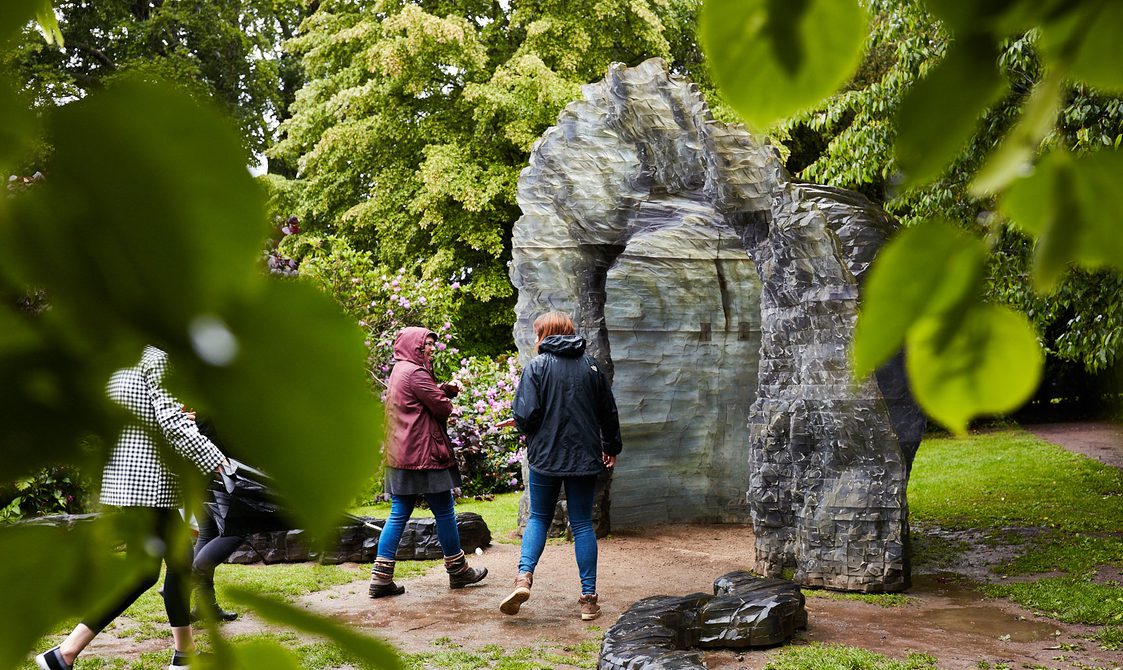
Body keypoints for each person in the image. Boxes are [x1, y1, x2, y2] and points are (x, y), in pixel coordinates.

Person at [36, 346, 226, 670]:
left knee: (179, 564)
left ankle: (185, 654)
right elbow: (170, 424)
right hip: (149, 485)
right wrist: (216, 459)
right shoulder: (158, 359)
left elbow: (138, 417)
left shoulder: (121, 357)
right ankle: (64, 653)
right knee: (143, 574)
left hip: (128, 481)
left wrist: (180, 417)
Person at [498, 311, 622, 621]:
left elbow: (528, 416)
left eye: (536, 332)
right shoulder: (592, 366)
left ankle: (523, 578)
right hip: (585, 457)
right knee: (581, 524)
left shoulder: (537, 367)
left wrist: (521, 423)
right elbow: (608, 412)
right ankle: (589, 599)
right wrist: (611, 446)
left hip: (545, 457)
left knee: (538, 517)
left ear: (545, 334)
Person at [367, 327, 487, 598]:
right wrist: (447, 394)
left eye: (433, 343)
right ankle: (458, 570)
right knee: (444, 510)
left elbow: (423, 399)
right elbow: (442, 407)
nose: (432, 348)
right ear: (414, 346)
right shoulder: (416, 373)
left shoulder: (400, 371)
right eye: (427, 344)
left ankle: (380, 577)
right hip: (424, 456)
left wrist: (442, 389)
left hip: (401, 454)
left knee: (398, 513)